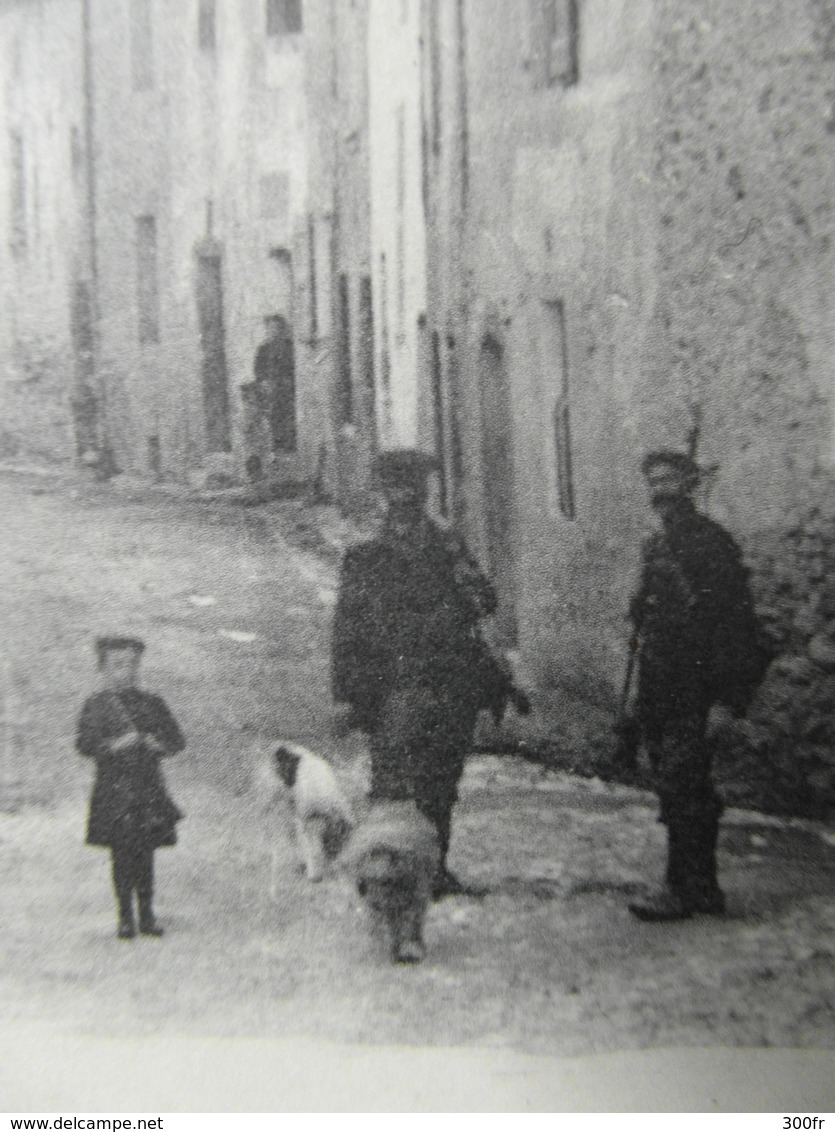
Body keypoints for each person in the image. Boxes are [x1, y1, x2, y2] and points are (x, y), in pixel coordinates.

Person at [331, 448, 528, 899]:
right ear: (384, 494)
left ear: (422, 492)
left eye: (412, 487)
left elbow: (486, 599)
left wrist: (466, 589)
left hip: (449, 678)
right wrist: (346, 695)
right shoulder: (365, 554)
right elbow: (346, 630)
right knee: (393, 783)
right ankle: (387, 872)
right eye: (394, 488)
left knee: (441, 781)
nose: (403, 497)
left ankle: (434, 870)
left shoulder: (448, 543)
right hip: (392, 686)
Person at [627, 450, 761, 922]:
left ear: (689, 485)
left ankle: (680, 888)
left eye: (669, 480)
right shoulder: (656, 546)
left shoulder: (712, 545)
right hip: (660, 689)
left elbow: (736, 627)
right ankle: (703, 887)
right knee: (680, 788)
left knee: (684, 787)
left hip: (697, 689)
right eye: (653, 481)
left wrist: (727, 698)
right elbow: (647, 623)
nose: (659, 490)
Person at [76, 637, 185, 939]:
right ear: (103, 669)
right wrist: (114, 745)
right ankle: (125, 916)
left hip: (148, 789)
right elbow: (84, 744)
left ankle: (147, 915)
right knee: (121, 854)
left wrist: (157, 745)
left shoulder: (153, 703)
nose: (127, 671)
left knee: (146, 853)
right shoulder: (96, 706)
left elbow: (177, 740)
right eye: (118, 665)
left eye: (133, 664)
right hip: (113, 791)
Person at [253, 313, 297, 455]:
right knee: (274, 414)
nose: (274, 331)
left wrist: (289, 380)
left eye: (277, 328)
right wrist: (265, 382)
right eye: (271, 328)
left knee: (290, 414)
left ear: (282, 329)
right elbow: (258, 370)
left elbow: (295, 368)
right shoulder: (263, 349)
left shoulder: (290, 347)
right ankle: (277, 446)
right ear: (267, 330)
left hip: (288, 388)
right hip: (272, 388)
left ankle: (291, 444)